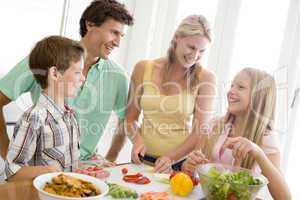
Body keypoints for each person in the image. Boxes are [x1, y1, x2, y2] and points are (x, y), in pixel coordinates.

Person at [0, 0, 134, 162]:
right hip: (40, 169)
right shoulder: (47, 57)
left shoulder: (118, 76)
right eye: (114, 32)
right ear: (90, 24)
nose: (118, 43)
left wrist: (111, 158)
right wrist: (7, 151)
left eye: (121, 36)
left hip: (85, 170)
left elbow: (126, 121)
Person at [125, 15, 216, 173]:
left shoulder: (206, 78)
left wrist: (171, 158)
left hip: (180, 166)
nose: (195, 56)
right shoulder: (143, 68)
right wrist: (137, 140)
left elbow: (199, 131)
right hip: (141, 161)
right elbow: (130, 119)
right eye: (191, 47)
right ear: (176, 38)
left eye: (202, 51)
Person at [182, 68, 291, 200]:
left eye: (240, 87)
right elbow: (190, 172)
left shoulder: (266, 138)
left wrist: (258, 153)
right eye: (232, 85)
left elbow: (285, 197)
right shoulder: (215, 125)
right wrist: (189, 166)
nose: (231, 91)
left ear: (259, 96)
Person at [5, 36, 85, 181]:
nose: (83, 78)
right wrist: (46, 170)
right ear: (55, 73)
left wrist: (91, 166)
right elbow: (12, 172)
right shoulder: (34, 118)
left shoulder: (70, 117)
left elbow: (71, 165)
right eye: (78, 72)